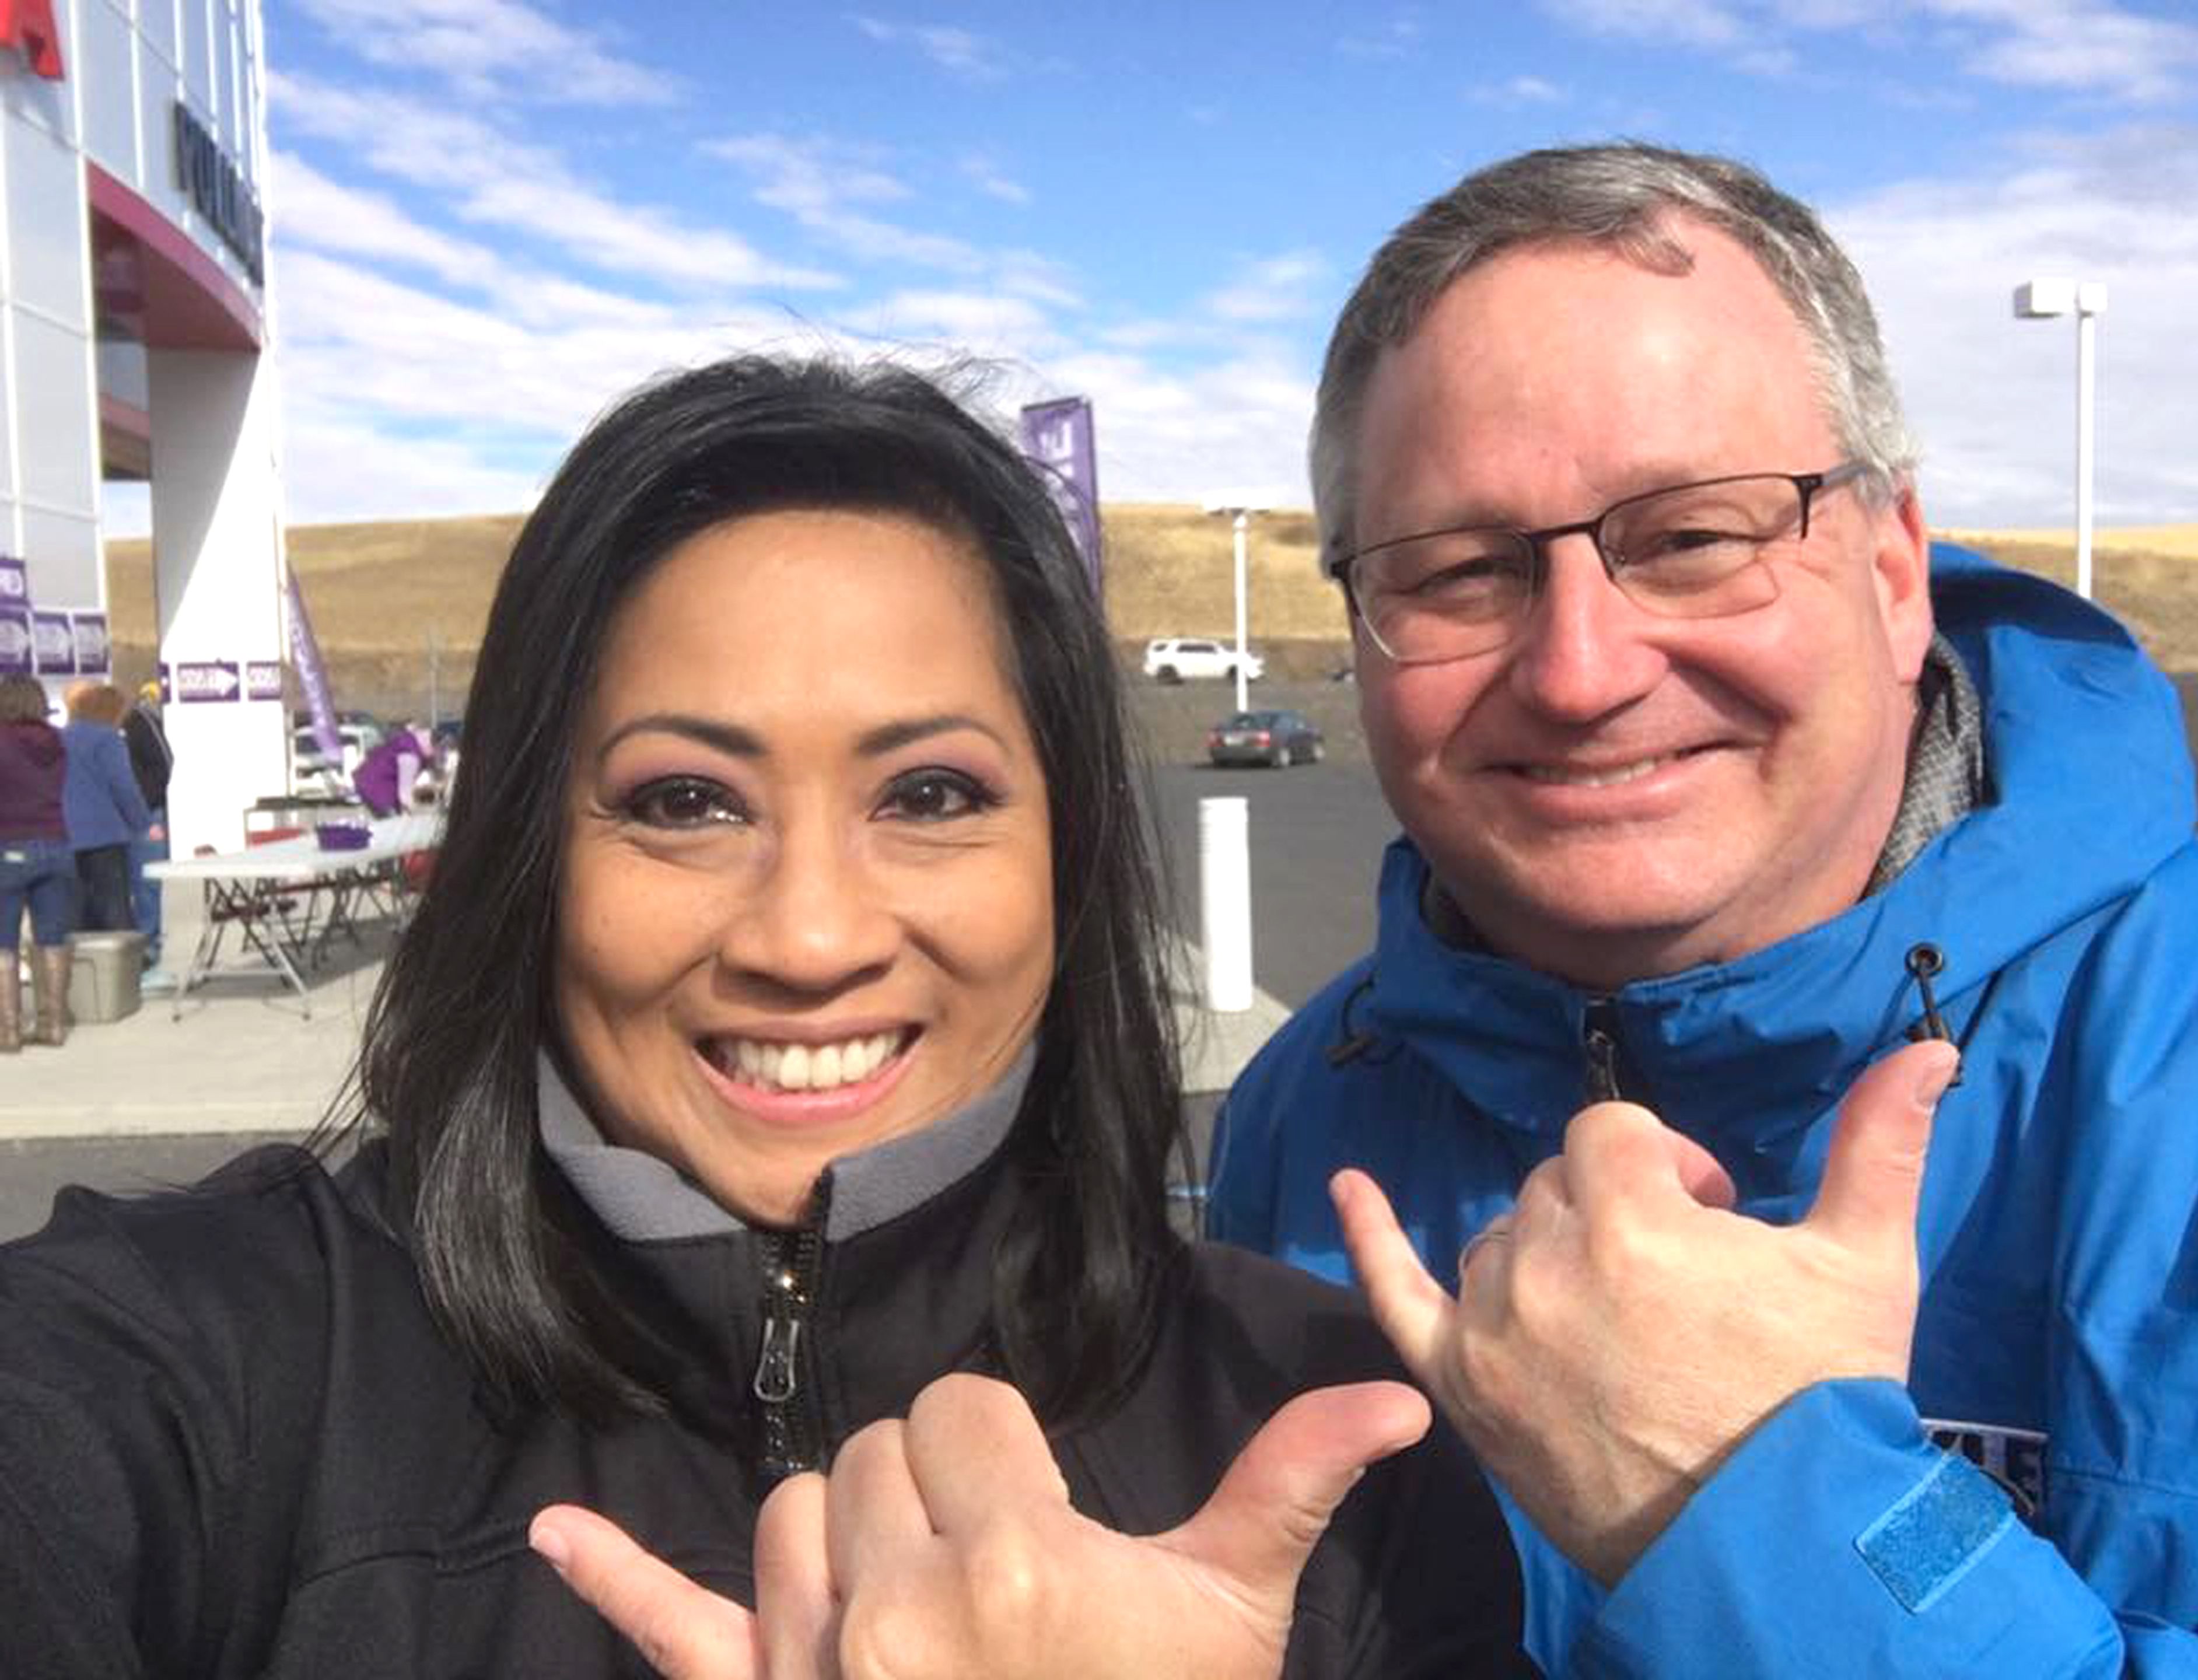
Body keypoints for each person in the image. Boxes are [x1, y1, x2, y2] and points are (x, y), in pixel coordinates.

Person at [0, 355, 1527, 1678]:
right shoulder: (194, 1369)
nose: (810, 938)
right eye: (683, 800)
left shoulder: (1323, 1435)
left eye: (929, 794)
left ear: (1069, 861)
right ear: (535, 856)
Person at [1208, 141, 2198, 1676]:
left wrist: (1770, 1518)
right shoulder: (1305, 1116)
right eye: (1462, 572)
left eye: (1693, 536)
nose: (1579, 670)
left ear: (1893, 568)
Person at [0, 673, 75, 1049]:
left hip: (8, 847)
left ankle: (8, 1030)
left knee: (4, 942)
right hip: (56, 843)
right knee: (52, 937)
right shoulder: (56, 742)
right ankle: (53, 1024)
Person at [61, 680, 152, 935]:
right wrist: (143, 823)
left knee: (74, 918)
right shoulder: (108, 739)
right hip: (105, 838)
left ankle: (77, 972)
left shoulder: (58, 738)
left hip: (64, 838)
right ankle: (118, 972)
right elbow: (124, 787)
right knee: (114, 917)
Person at [123, 680, 172, 970]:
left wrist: (146, 801)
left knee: (146, 885)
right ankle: (127, 952)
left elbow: (166, 761)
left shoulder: (139, 721)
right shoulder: (102, 729)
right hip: (113, 820)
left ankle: (150, 952)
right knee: (117, 889)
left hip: (146, 816)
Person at [351, 719, 429, 816]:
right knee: (392, 821)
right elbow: (405, 795)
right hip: (378, 788)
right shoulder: (410, 754)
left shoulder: (405, 743)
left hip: (366, 780)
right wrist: (413, 813)